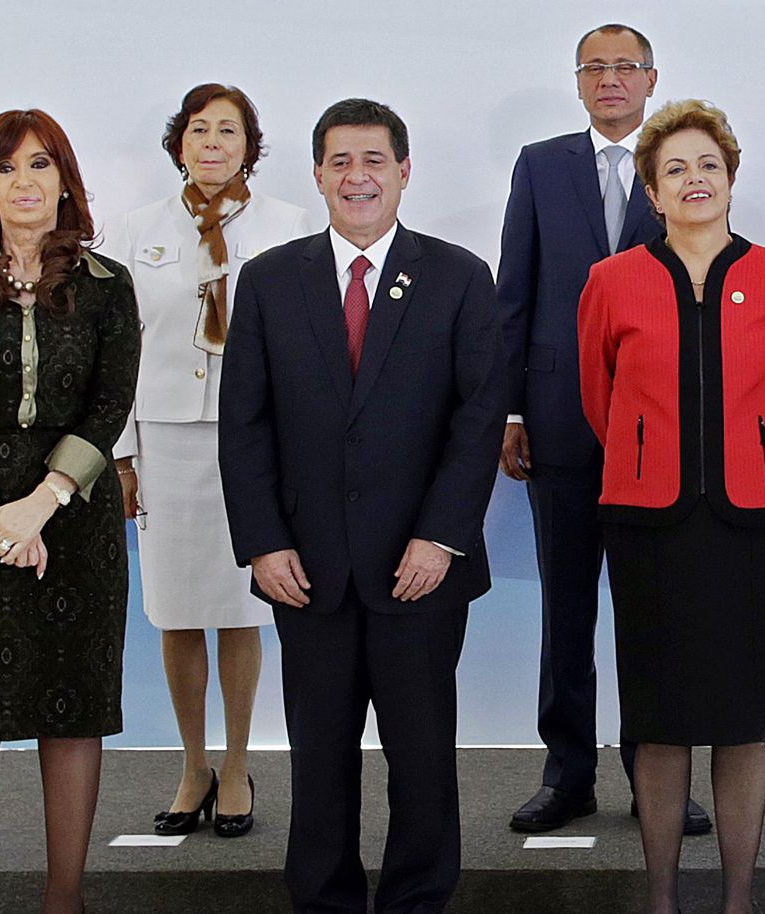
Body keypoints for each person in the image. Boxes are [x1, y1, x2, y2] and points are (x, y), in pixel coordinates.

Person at [218, 98, 504, 914]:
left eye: (374, 160)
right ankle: (325, 901)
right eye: (340, 162)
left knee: (421, 760)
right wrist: (264, 545)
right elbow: (245, 424)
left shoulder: (457, 276)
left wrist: (441, 539)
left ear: (405, 172)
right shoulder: (271, 280)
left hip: (420, 569)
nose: (358, 176)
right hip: (306, 571)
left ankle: (418, 900)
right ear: (316, 176)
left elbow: (478, 419)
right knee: (319, 760)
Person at [577, 98, 765, 914]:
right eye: (674, 168)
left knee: (743, 721)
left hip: (758, 522)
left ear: (731, 176)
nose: (694, 179)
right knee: (662, 717)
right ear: (650, 189)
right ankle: (663, 897)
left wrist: (743, 456)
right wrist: (653, 456)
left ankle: (739, 898)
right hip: (649, 523)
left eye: (708, 165)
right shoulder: (612, 280)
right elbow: (598, 400)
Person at [0, 109, 138, 914]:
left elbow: (109, 408)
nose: (23, 183)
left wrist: (40, 506)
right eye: (4, 169)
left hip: (72, 515)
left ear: (64, 179)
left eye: (39, 165)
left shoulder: (109, 284)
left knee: (70, 711)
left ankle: (63, 899)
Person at [497, 23, 711, 837]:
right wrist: (512, 409)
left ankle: (656, 777)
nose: (611, 79)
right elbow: (513, 291)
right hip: (557, 421)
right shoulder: (541, 164)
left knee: (655, 606)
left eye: (626, 67)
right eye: (597, 68)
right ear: (577, 82)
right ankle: (568, 773)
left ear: (652, 78)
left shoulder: (682, 163)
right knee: (567, 606)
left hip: (660, 422)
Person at [103, 82, 310, 839]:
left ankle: (235, 765)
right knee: (179, 612)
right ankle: (191, 763)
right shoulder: (133, 231)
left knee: (240, 607)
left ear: (250, 145)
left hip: (256, 442)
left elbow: (307, 349)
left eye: (229, 131)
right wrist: (121, 456)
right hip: (165, 442)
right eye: (199, 130)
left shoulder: (293, 227)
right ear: (179, 143)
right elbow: (114, 348)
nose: (213, 143)